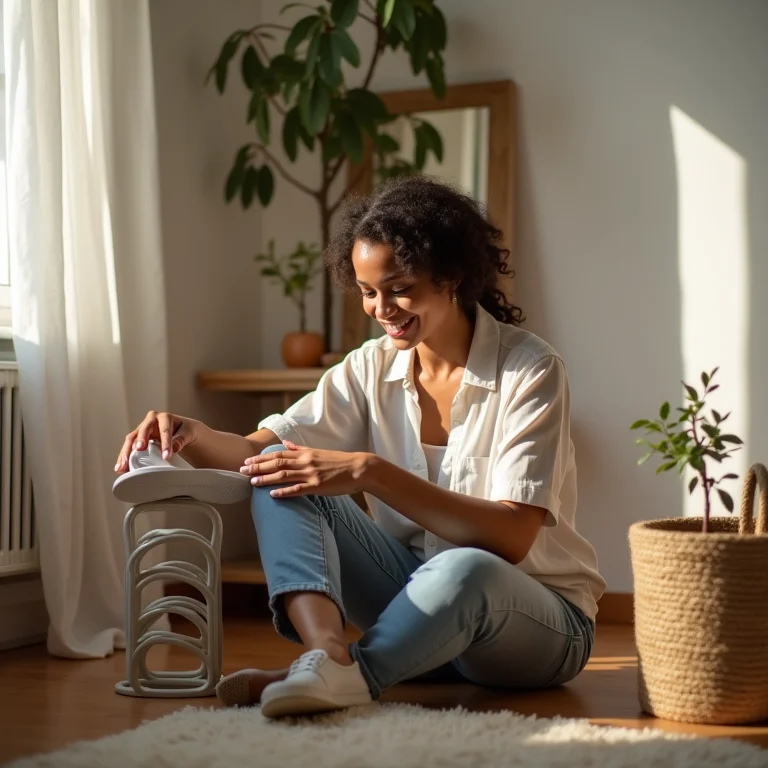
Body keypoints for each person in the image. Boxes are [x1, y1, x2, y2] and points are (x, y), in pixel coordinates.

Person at [115, 175, 606, 719]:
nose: (381, 308)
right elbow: (257, 449)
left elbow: (511, 538)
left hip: (534, 629)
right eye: (369, 292)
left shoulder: (530, 369)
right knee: (280, 473)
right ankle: (325, 656)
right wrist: (192, 434)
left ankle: (352, 674)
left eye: (399, 287)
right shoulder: (370, 366)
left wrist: (369, 472)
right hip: (417, 616)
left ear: (452, 275)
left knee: (468, 568)